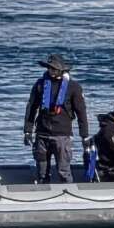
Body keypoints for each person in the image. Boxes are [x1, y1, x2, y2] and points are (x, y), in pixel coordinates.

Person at [23, 54, 90, 183]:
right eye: (49, 68)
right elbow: (31, 107)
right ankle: (43, 190)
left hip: (62, 135)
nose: (50, 71)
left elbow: (81, 112)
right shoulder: (40, 84)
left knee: (63, 171)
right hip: (42, 133)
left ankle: (68, 196)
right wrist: (27, 130)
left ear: (61, 69)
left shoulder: (73, 87)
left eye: (53, 68)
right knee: (42, 171)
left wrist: (84, 135)